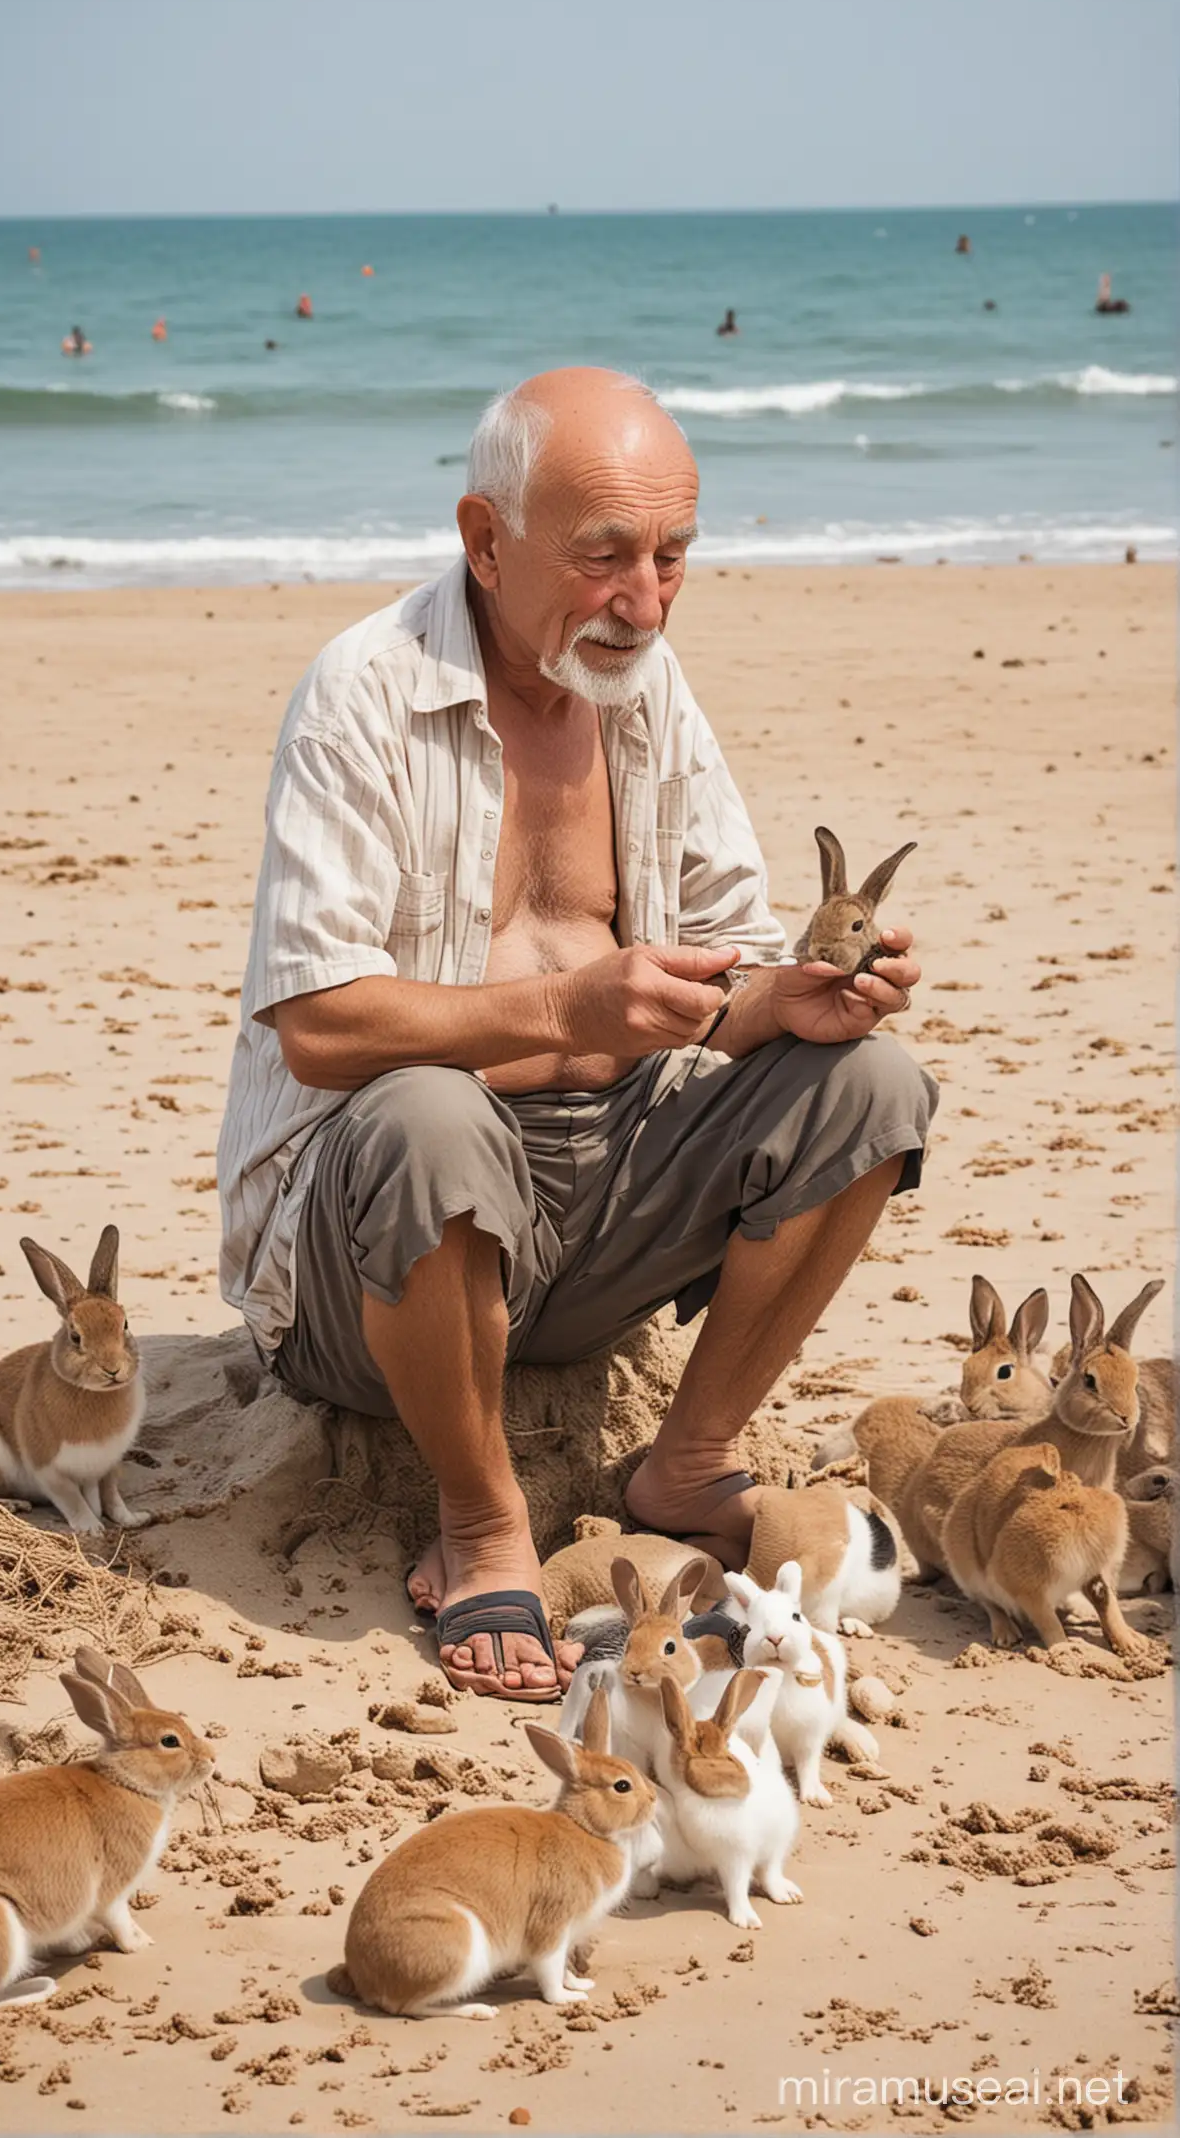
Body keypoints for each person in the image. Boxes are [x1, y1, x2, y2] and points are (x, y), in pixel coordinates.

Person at [217, 366, 934, 1706]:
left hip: (599, 1205)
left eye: (673, 559)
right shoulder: (362, 693)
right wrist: (563, 1007)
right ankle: (482, 1517)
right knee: (429, 1111)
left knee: (873, 1084)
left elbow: (726, 981)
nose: (645, 603)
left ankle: (690, 1458)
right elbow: (317, 1029)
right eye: (603, 557)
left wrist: (795, 1002)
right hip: (361, 1257)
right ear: (484, 540)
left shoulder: (647, 692)